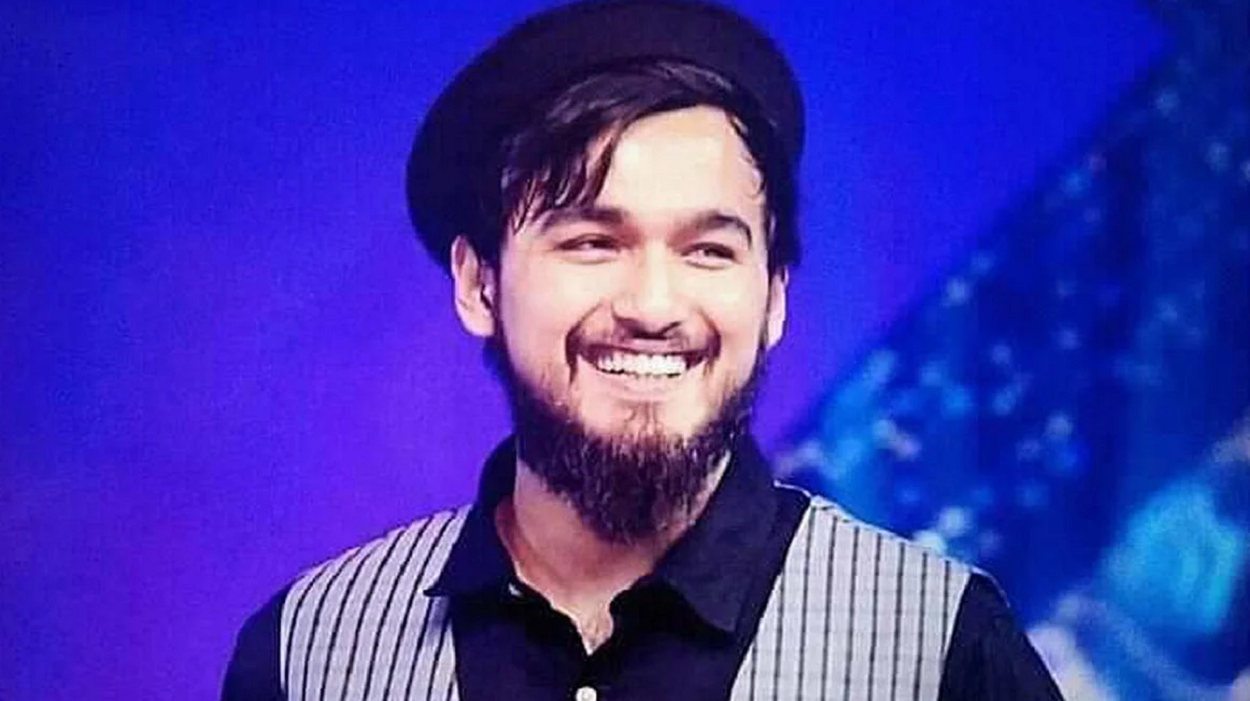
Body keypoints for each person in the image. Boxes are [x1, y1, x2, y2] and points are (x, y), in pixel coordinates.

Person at [221, 1, 1065, 699]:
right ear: (479, 284)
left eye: (709, 250)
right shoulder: (310, 655)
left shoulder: (940, 650)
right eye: (592, 242)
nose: (653, 306)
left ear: (774, 296)